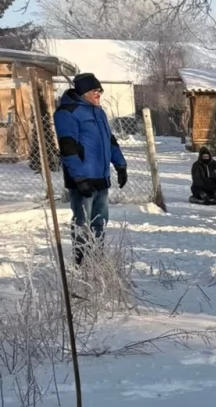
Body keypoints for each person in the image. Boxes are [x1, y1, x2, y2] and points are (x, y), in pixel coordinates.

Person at [53, 72, 128, 264]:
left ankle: (96, 262)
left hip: (100, 178)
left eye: (100, 90)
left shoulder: (99, 112)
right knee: (82, 222)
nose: (99, 93)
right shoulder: (67, 113)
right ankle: (81, 263)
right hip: (83, 180)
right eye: (95, 90)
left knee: (100, 222)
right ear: (84, 91)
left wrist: (120, 165)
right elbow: (68, 147)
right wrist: (79, 179)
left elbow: (109, 141)